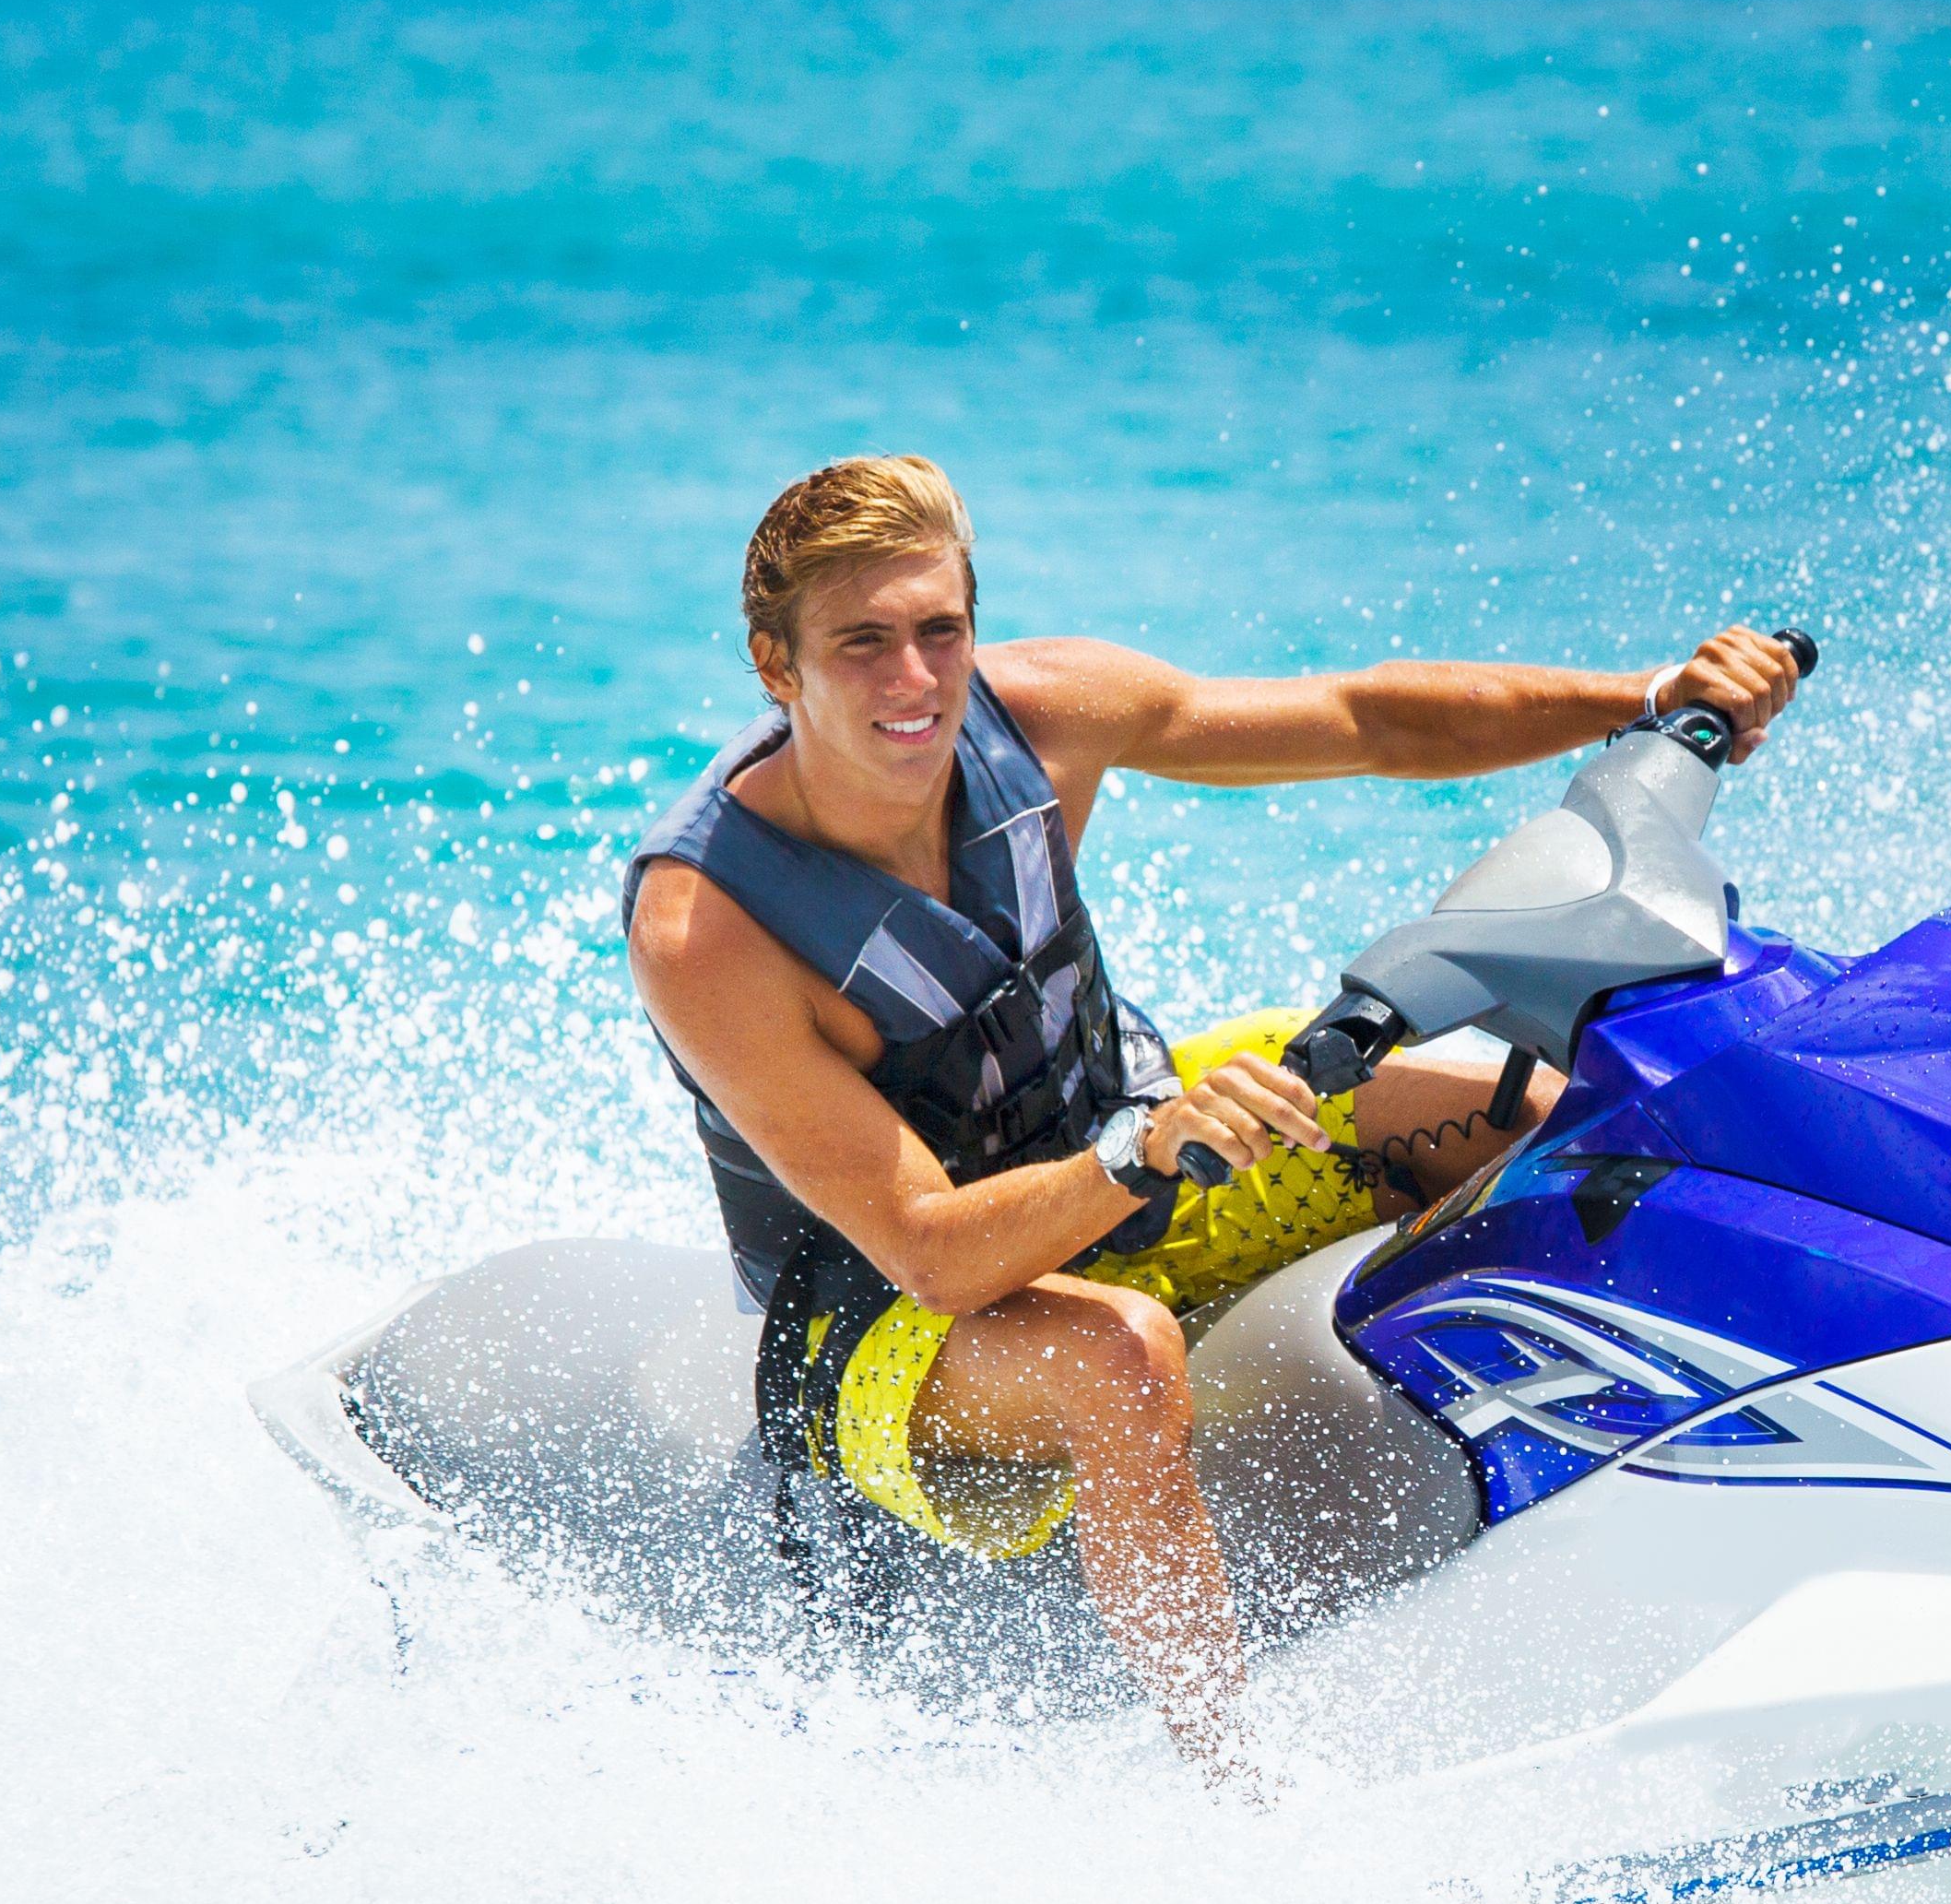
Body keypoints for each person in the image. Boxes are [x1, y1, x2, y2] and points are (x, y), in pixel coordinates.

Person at [626, 453, 1805, 1777]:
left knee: (1550, 1110)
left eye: (938, 631)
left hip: (1120, 1134)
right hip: (888, 1318)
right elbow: (928, 1247)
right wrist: (1144, 1150)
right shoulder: (706, 927)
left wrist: (1647, 699)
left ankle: (1690, 1483)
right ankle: (1230, 1788)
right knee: (1119, 1355)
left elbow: (1369, 722)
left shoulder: (1047, 712)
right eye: (862, 645)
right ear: (775, 665)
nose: (914, 682)